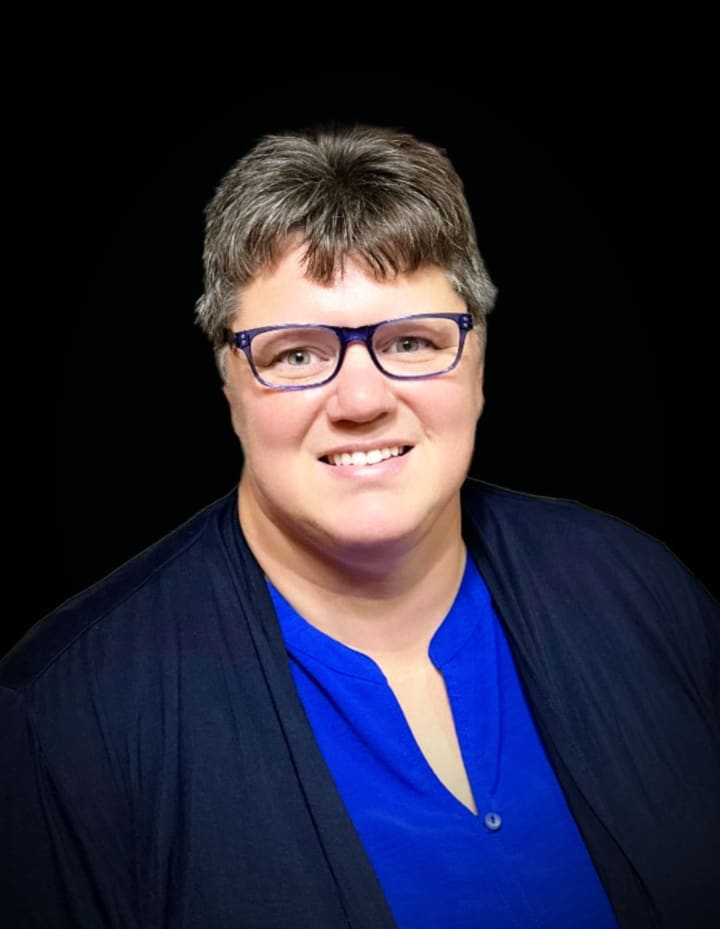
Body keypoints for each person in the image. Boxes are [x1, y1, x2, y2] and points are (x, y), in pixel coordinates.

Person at [1, 124, 718, 929]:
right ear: (227, 377)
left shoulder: (641, 591)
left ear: (479, 360)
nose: (362, 400)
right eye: (298, 354)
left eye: (411, 341)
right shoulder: (65, 719)